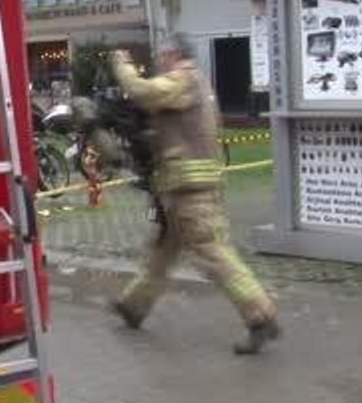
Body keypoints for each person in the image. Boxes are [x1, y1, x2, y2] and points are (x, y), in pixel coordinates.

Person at [108, 34, 281, 355]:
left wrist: (123, 67)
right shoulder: (196, 83)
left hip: (191, 190)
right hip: (179, 189)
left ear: (174, 54)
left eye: (162, 56)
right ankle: (133, 306)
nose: (159, 62)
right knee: (162, 252)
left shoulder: (184, 79)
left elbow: (145, 93)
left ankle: (260, 315)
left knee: (213, 252)